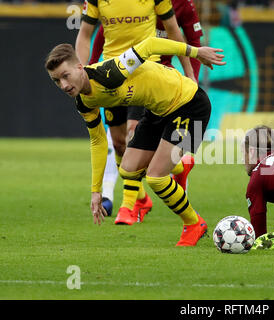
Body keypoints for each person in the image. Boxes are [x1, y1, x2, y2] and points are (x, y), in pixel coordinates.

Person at [45, 36, 226, 246]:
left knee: (156, 178)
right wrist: (96, 191)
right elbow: (98, 142)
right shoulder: (84, 102)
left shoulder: (110, 72)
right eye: (57, 80)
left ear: (79, 67)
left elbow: (150, 44)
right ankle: (179, 167)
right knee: (128, 169)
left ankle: (194, 223)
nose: (64, 85)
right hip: (157, 112)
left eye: (65, 76)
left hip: (189, 104)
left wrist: (196, 52)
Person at [76, 0, 198, 225]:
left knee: (134, 132)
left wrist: (189, 70)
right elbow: (85, 34)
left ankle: (127, 206)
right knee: (120, 144)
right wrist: (82, 71)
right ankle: (170, 174)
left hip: (143, 72)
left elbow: (172, 28)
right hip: (110, 74)